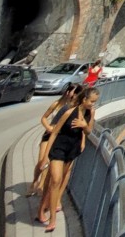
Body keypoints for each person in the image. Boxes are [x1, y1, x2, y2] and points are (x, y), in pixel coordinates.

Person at [39, 87, 98, 232]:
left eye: (95, 101)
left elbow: (89, 131)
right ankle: (52, 219)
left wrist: (85, 126)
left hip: (72, 150)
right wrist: (45, 156)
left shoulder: (91, 112)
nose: (93, 104)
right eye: (91, 101)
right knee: (55, 180)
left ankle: (43, 209)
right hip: (59, 148)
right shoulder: (68, 112)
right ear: (84, 99)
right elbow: (54, 133)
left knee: (57, 183)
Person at [29, 84, 83, 197]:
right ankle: (35, 180)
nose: (73, 95)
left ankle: (41, 186)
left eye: (76, 93)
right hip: (48, 135)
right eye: (72, 92)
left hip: (59, 137)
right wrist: (48, 127)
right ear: (68, 92)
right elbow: (44, 118)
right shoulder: (58, 104)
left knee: (49, 163)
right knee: (41, 162)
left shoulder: (75, 109)